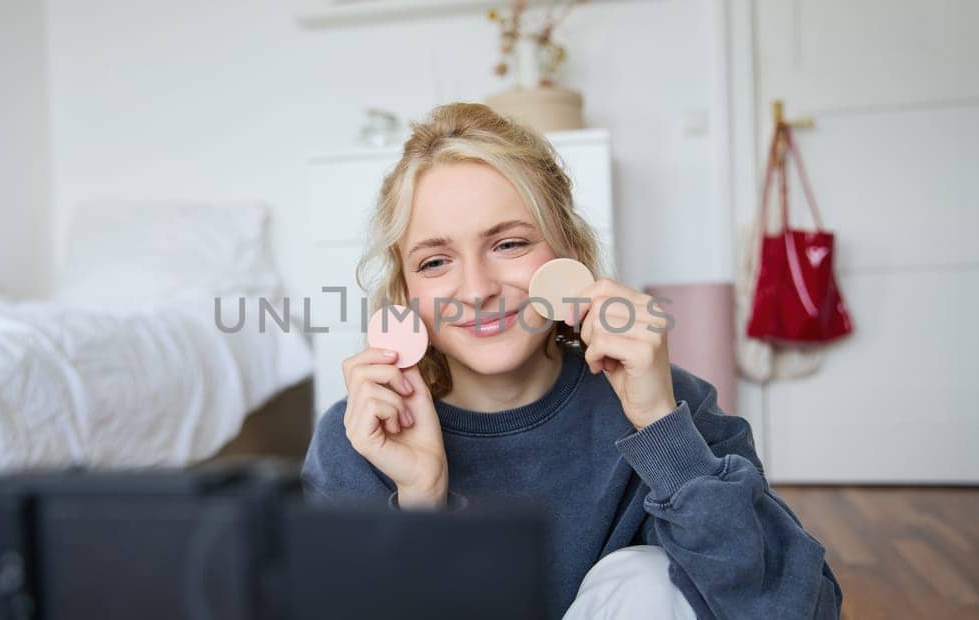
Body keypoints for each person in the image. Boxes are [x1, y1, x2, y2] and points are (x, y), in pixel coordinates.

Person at [301, 102, 842, 618]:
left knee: (649, 578)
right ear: (405, 292)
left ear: (568, 254)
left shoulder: (673, 406)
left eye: (508, 244)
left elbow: (800, 609)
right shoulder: (362, 438)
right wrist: (422, 500)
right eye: (436, 261)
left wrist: (662, 430)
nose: (475, 290)